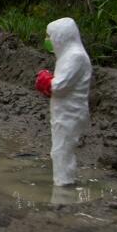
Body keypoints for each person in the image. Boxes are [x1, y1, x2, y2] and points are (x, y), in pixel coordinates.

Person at [35, 17, 92, 186]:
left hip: (70, 113)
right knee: (60, 150)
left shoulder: (75, 57)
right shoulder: (68, 55)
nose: (47, 41)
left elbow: (60, 86)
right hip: (64, 112)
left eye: (49, 36)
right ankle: (63, 182)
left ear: (61, 36)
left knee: (62, 151)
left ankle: (64, 188)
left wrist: (46, 81)